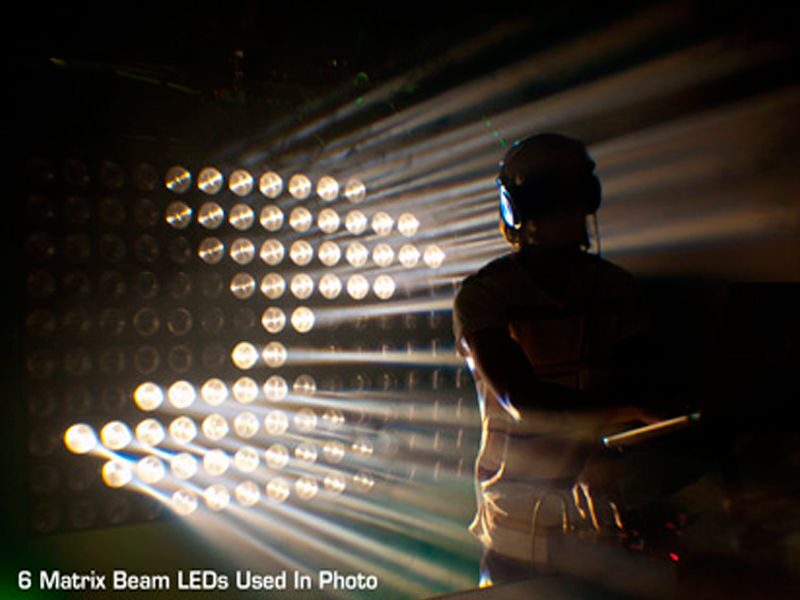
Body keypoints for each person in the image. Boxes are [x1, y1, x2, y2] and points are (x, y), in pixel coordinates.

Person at [452, 133, 651, 585]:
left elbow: (637, 380)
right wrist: (635, 408)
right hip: (515, 527)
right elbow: (522, 400)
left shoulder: (618, 289)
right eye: (552, 200)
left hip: (598, 520)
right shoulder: (484, 295)